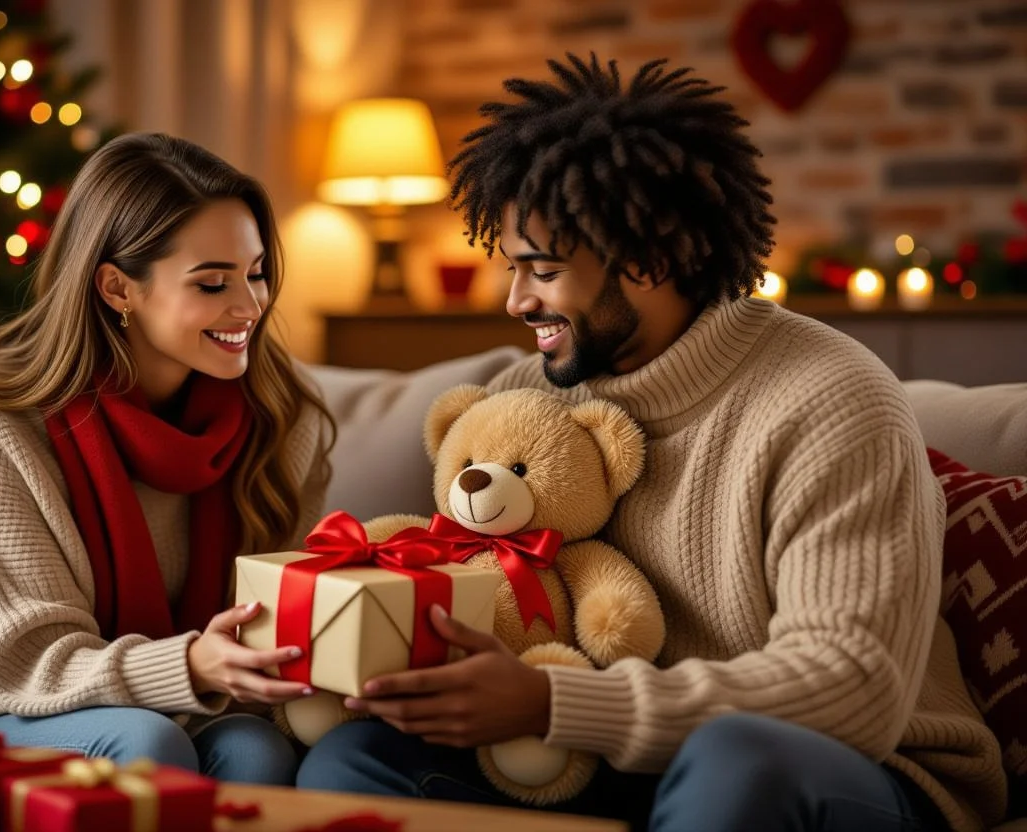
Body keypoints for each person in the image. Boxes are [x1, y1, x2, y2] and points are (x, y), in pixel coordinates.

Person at [295, 55, 1007, 831]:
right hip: (601, 757)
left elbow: (851, 688)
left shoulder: (830, 397)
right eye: (511, 269)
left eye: (543, 270)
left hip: (859, 770)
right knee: (354, 759)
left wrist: (551, 701)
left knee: (736, 761)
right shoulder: (526, 400)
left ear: (650, 260)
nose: (515, 300)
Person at [0, 133, 334, 786]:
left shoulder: (282, 417)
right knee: (146, 744)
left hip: (183, 702)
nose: (250, 306)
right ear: (117, 288)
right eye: (212, 282)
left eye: (256, 273)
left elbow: (279, 622)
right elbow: (30, 661)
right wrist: (192, 663)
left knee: (259, 752)